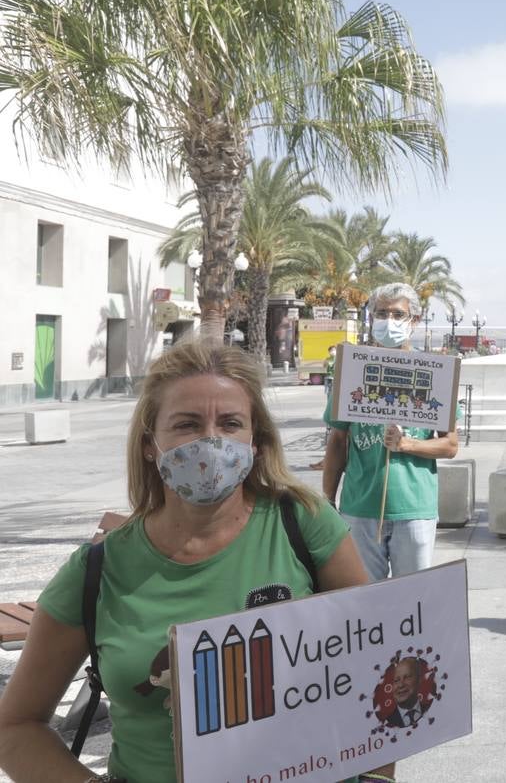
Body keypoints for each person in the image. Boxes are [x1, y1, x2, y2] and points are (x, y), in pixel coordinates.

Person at [0, 341, 373, 783]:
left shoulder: (304, 525)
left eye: (231, 423)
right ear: (149, 445)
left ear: (255, 442)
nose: (211, 440)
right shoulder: (98, 570)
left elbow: (373, 666)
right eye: (187, 424)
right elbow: (15, 727)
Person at [322, 283, 459, 582]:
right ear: (372, 318)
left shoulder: (436, 374)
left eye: (398, 314)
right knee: (365, 600)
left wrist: (407, 444)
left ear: (415, 321)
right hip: (359, 508)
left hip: (414, 509)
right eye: (382, 313)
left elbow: (450, 445)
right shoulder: (353, 372)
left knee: (412, 599)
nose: (389, 321)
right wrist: (328, 499)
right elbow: (337, 440)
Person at [385, 657, 430, 728]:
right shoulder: (388, 721)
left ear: (419, 679)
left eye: (407, 677)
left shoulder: (430, 709)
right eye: (396, 680)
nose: (401, 685)